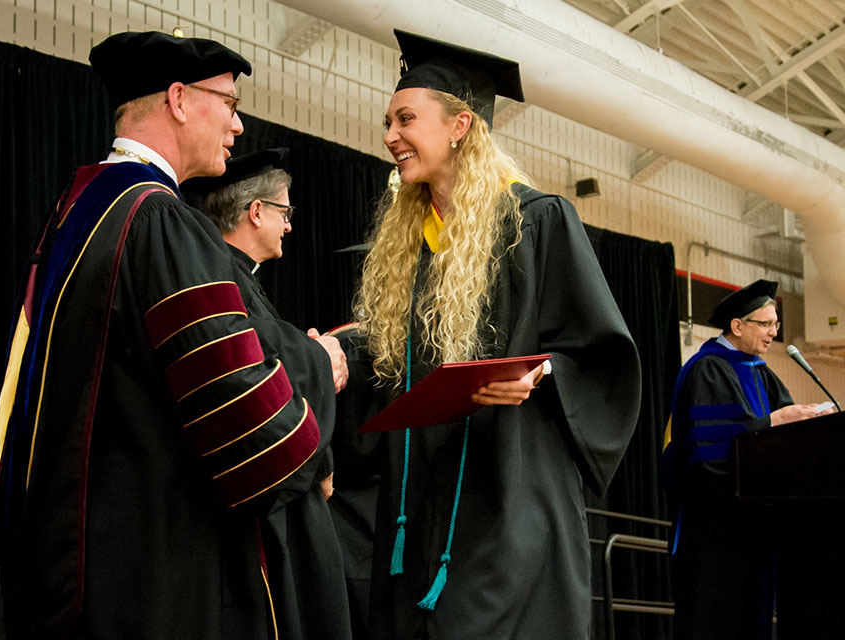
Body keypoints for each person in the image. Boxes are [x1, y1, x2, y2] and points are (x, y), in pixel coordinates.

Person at [0, 31, 329, 639]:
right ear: (180, 99)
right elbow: (248, 427)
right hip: (143, 571)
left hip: (64, 561)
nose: (237, 128)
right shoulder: (159, 220)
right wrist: (318, 406)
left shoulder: (79, 207)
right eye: (231, 106)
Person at [345, 29, 641, 639]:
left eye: (405, 118)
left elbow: (601, 351)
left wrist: (542, 370)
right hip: (421, 501)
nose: (389, 136)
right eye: (387, 121)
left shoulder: (536, 222)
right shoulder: (412, 248)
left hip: (510, 490)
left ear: (460, 127)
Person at [183, 149, 353, 640]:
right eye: (285, 212)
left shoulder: (236, 280)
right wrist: (318, 357)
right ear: (256, 212)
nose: (290, 226)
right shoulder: (221, 282)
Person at [663, 279, 832, 640]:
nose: (775, 333)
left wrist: (816, 417)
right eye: (766, 324)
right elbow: (708, 451)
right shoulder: (706, 368)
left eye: (777, 325)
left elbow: (788, 433)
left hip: (754, 525)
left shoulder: (760, 371)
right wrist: (771, 421)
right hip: (713, 530)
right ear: (738, 326)